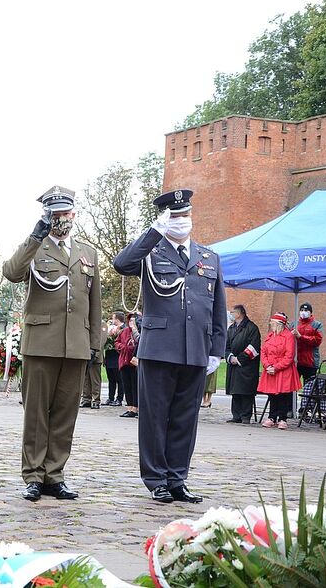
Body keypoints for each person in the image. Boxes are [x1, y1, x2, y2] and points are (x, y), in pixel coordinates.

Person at [113, 188, 227, 504]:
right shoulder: (151, 252)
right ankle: (156, 479)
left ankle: (177, 478)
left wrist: (217, 349)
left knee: (185, 418)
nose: (181, 220)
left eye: (185, 214)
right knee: (154, 417)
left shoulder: (208, 257)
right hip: (159, 348)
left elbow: (217, 307)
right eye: (174, 216)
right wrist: (154, 232)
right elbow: (121, 263)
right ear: (165, 219)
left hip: (195, 348)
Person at [2, 185, 102, 502]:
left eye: (66, 212)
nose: (62, 218)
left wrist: (94, 344)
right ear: (46, 215)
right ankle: (33, 475)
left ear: (74, 214)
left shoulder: (87, 253)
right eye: (55, 213)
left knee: (64, 414)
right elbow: (11, 272)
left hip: (75, 343)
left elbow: (94, 303)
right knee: (36, 414)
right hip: (41, 342)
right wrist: (35, 236)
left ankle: (54, 475)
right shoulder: (35, 246)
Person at [258, 312, 302, 429]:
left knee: (283, 394)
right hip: (270, 368)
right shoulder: (270, 335)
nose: (270, 324)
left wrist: (276, 367)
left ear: (278, 324)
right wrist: (267, 366)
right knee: (272, 394)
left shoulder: (288, 336)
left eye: (272, 323)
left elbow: (289, 356)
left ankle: (283, 418)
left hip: (283, 370)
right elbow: (263, 352)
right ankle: (272, 416)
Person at [224, 305, 261, 424]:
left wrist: (239, 359)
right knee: (235, 391)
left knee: (245, 391)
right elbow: (226, 346)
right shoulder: (231, 328)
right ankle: (236, 415)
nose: (231, 314)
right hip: (233, 365)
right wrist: (230, 357)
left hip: (247, 366)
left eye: (233, 312)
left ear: (239, 313)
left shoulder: (251, 328)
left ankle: (245, 415)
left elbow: (254, 347)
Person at [116, 312, 141, 418]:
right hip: (124, 362)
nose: (131, 323)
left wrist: (130, 347)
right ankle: (129, 407)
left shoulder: (138, 331)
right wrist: (122, 347)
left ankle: (136, 407)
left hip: (134, 363)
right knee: (127, 385)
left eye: (133, 321)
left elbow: (139, 342)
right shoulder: (124, 331)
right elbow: (117, 342)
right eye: (130, 320)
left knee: (135, 386)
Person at [292, 302, 323, 385]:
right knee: (292, 387)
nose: (303, 312)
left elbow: (317, 340)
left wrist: (301, 337)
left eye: (306, 310)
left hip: (310, 362)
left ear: (311, 312)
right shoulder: (294, 324)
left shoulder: (317, 324)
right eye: (301, 310)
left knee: (309, 387)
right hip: (296, 361)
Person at [103, 312, 125, 405]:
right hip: (109, 355)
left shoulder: (124, 328)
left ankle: (119, 399)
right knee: (111, 379)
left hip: (117, 356)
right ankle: (110, 398)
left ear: (117, 319)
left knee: (119, 379)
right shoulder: (110, 327)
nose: (112, 320)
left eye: (113, 318)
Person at [80, 344, 103, 409]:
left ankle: (96, 400)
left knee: (95, 380)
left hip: (95, 357)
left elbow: (101, 342)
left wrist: (96, 354)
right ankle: (86, 399)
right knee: (86, 380)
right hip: (86, 356)